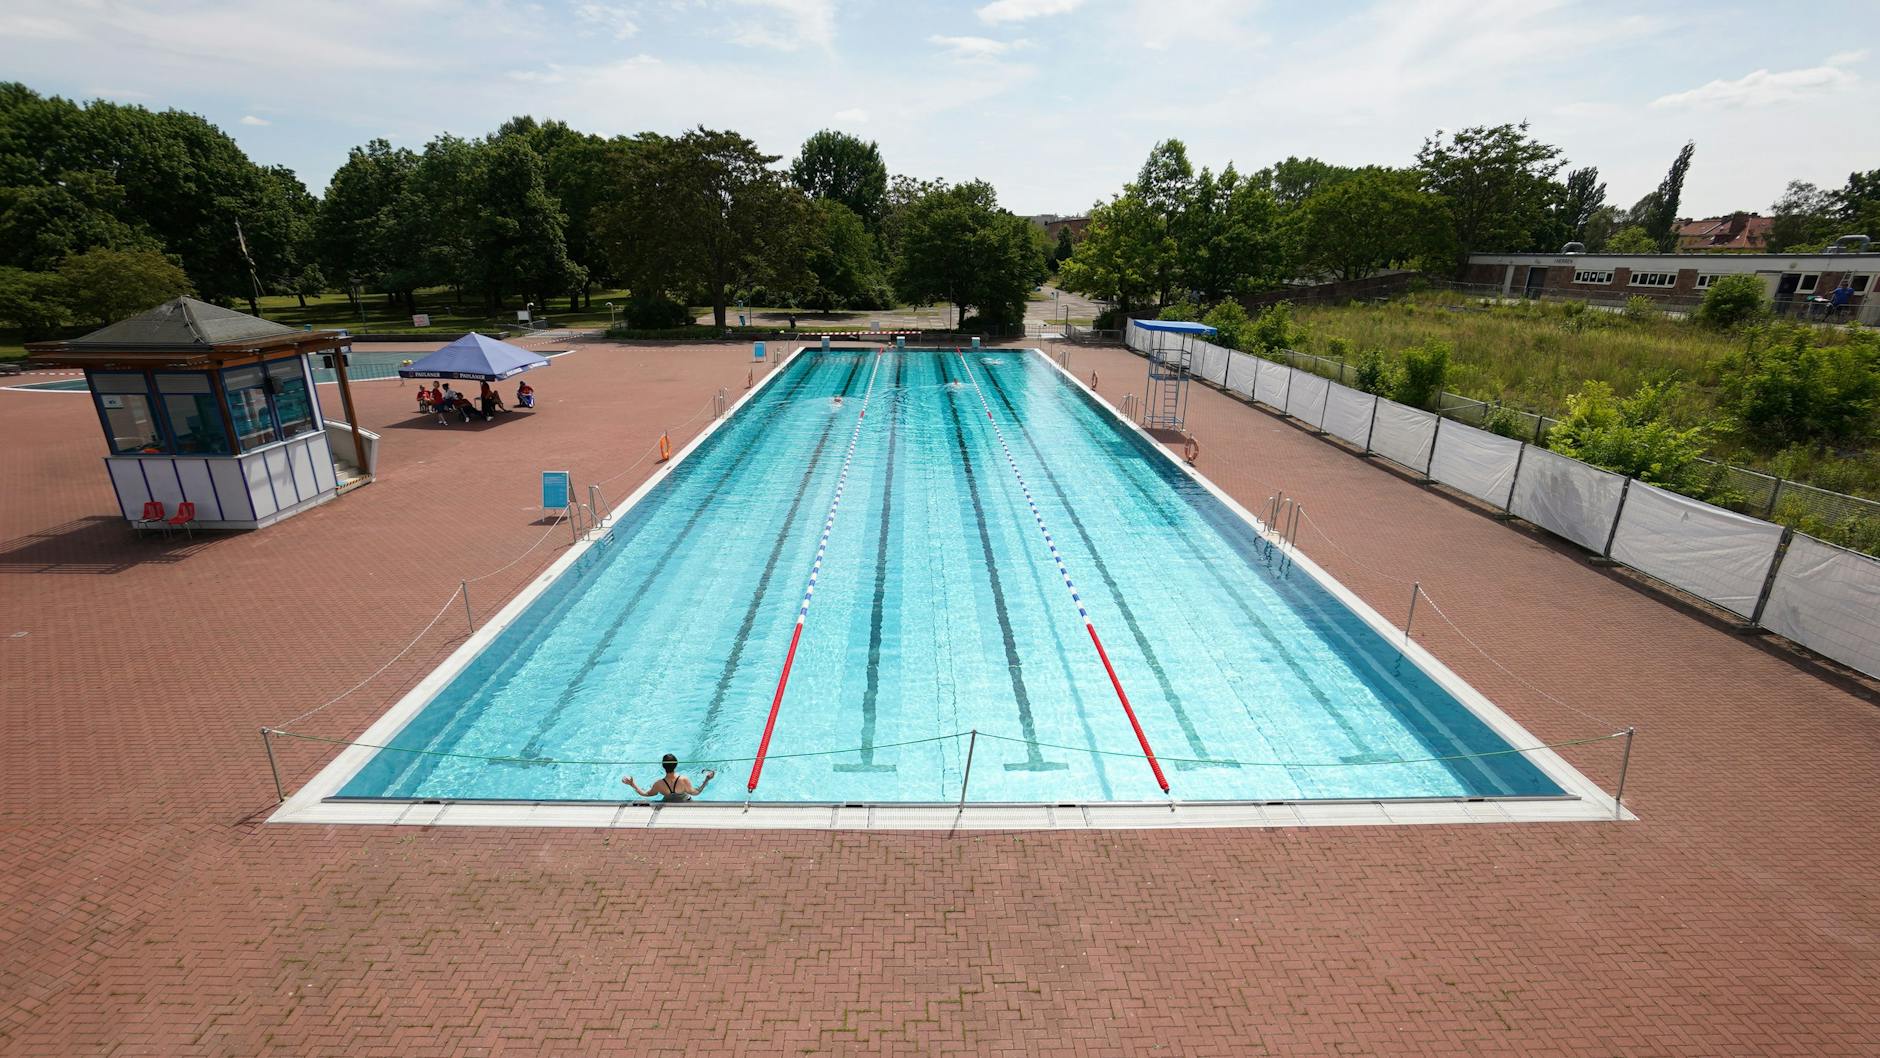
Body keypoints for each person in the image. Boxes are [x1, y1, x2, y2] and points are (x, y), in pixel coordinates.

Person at [623, 754, 714, 802]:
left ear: (663, 766)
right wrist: (707, 780)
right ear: (676, 764)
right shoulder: (683, 780)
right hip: (686, 803)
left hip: (667, 804)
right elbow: (696, 793)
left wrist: (632, 784)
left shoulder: (659, 784)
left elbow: (645, 794)